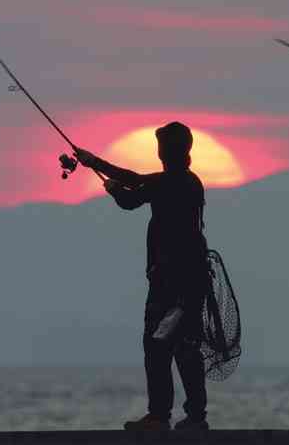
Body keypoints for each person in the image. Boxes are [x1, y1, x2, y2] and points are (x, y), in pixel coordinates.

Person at [75, 121, 211, 433]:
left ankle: (160, 416)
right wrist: (100, 169)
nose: (160, 151)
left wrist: (104, 178)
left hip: (170, 284)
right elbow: (136, 187)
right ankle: (195, 417)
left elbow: (132, 194)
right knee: (186, 347)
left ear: (168, 150)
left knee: (158, 345)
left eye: (162, 146)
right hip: (191, 282)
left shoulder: (171, 183)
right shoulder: (190, 182)